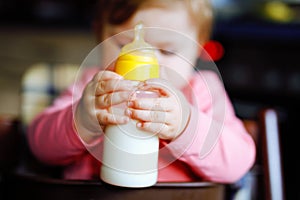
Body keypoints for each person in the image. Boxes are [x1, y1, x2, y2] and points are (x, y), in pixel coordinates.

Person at [27, 0, 256, 183]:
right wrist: (82, 120)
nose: (147, 64)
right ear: (99, 35)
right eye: (124, 46)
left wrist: (187, 125)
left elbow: (238, 163)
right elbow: (39, 146)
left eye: (167, 51)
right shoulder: (92, 87)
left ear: (198, 46)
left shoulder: (202, 90)